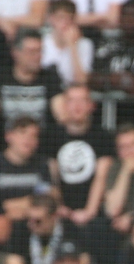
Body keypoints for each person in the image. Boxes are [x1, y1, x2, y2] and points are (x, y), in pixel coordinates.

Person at [45, 84, 115, 231]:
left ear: (91, 105)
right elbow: (52, 177)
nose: (77, 106)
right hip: (59, 213)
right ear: (64, 105)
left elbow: (101, 177)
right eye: (71, 100)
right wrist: (59, 206)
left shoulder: (103, 137)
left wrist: (89, 211)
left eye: (82, 101)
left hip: (95, 214)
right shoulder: (51, 136)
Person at [0, 28, 64, 142]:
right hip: (5, 148)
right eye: (32, 52)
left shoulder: (50, 77)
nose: (37, 56)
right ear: (15, 53)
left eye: (40, 51)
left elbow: (62, 117)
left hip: (41, 148)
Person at [0, 117, 56, 236]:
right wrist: (30, 203)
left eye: (34, 135)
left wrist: (19, 206)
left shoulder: (42, 165)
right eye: (22, 133)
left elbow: (50, 198)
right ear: (8, 136)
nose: (28, 139)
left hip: (35, 227)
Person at [4, 193, 68, 264]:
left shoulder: (69, 231)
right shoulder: (21, 230)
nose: (31, 225)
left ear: (53, 217)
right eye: (29, 219)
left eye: (38, 221)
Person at [41, 0, 94, 89]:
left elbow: (81, 82)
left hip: (71, 92)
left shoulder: (85, 44)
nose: (65, 23)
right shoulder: (42, 42)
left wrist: (72, 46)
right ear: (51, 19)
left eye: (70, 18)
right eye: (61, 18)